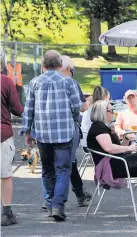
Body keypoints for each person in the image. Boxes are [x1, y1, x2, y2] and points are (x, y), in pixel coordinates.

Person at [20, 50, 81, 221]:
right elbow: (77, 106)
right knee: (63, 170)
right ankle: (58, 206)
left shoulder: (34, 82)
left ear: (43, 65)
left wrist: (27, 131)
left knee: (47, 170)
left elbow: (29, 110)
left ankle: (49, 203)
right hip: (64, 134)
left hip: (43, 135)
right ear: (61, 65)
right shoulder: (69, 82)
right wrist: (75, 119)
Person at [59, 55, 92, 206]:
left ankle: (78, 192)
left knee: (56, 162)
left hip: (48, 129)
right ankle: (64, 197)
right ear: (67, 69)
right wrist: (89, 101)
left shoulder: (44, 82)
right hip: (70, 127)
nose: (73, 72)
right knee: (69, 162)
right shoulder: (71, 83)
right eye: (72, 70)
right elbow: (81, 107)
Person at [1, 58, 24, 226]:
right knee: (5, 174)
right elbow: (18, 109)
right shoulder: (6, 82)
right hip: (2, 134)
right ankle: (6, 213)